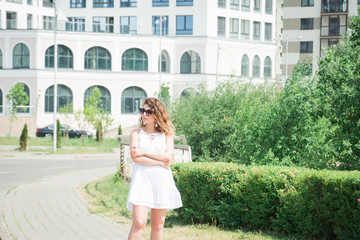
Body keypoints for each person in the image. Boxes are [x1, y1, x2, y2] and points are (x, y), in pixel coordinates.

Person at [127, 97, 182, 240]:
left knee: (158, 225)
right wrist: (159, 162)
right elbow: (136, 158)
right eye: (142, 110)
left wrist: (144, 152)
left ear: (157, 114)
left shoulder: (166, 134)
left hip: (161, 182)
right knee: (139, 222)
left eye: (148, 112)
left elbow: (168, 157)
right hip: (142, 182)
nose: (144, 114)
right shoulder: (136, 133)